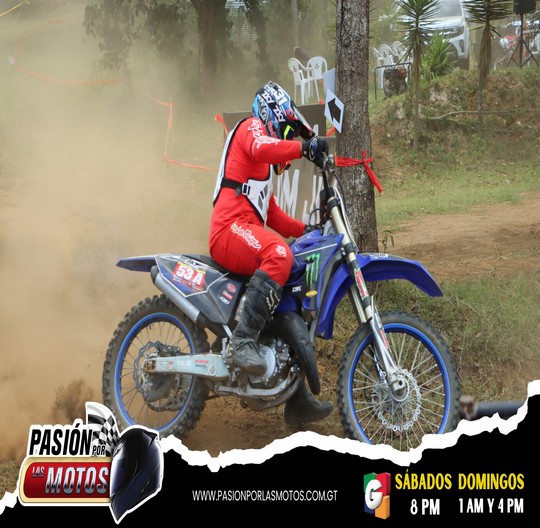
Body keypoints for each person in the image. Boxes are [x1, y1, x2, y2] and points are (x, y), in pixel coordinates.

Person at [209, 80, 333, 428]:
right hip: (229, 229)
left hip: (246, 232)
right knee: (279, 254)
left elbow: (273, 215)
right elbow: (264, 147)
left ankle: (296, 396)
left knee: (292, 273)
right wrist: (303, 148)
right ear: (272, 113)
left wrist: (308, 229)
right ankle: (242, 341)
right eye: (286, 128)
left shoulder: (262, 171)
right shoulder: (250, 128)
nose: (286, 136)